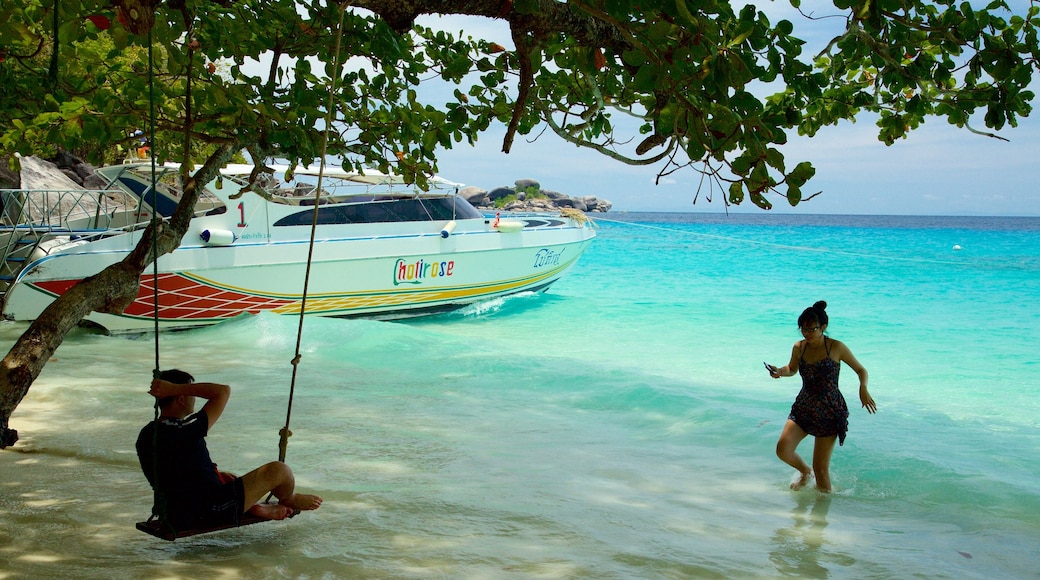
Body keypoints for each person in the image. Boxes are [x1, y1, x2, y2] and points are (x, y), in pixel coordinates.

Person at [136, 369, 322, 532]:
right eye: (190, 392)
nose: (194, 397)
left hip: (174, 514)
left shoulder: (147, 433)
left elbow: (180, 473)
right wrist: (174, 388)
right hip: (210, 511)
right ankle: (289, 498)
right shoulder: (187, 430)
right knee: (280, 470)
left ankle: (255, 506)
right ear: (181, 398)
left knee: (228, 476)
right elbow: (222, 391)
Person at [766, 301, 876, 492]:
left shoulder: (836, 347)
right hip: (804, 406)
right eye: (803, 329)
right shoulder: (799, 347)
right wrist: (779, 372)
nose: (806, 333)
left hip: (829, 410)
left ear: (823, 327)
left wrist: (863, 388)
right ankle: (805, 472)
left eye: (811, 329)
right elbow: (791, 368)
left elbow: (860, 369)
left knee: (822, 469)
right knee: (783, 450)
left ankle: (822, 515)